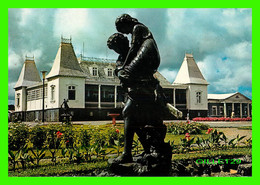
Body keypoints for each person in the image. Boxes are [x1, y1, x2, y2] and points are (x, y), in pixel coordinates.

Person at [107, 14, 167, 163]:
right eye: (115, 49)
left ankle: (131, 153)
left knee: (130, 114)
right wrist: (123, 73)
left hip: (144, 92)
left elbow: (147, 72)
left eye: (119, 46)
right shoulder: (121, 59)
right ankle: (147, 151)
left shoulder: (137, 46)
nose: (118, 50)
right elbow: (121, 73)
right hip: (136, 93)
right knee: (137, 121)